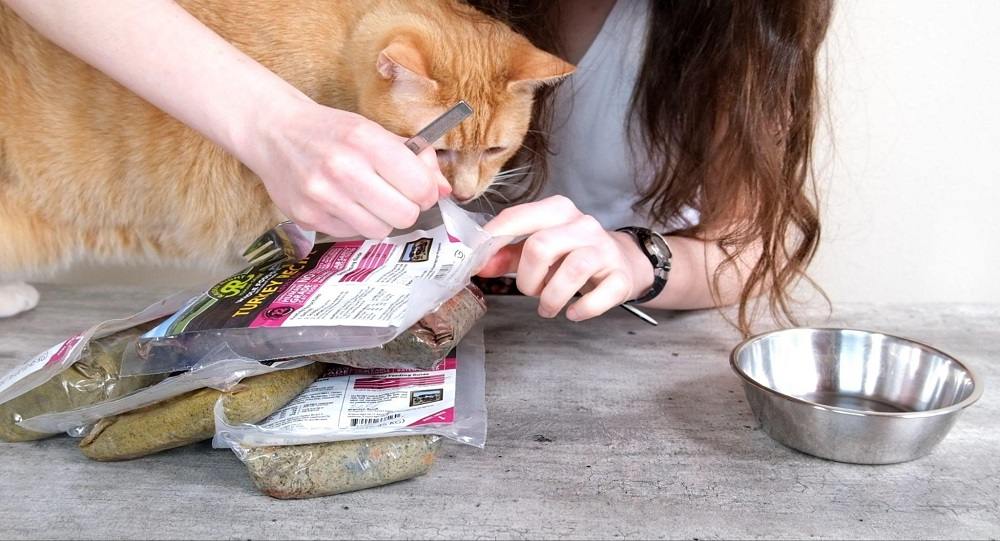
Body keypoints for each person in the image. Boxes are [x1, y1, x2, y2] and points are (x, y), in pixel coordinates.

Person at [3, 0, 832, 334]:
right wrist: (269, 122)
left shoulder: (736, 27)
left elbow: (749, 248)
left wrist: (640, 259)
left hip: (594, 358)